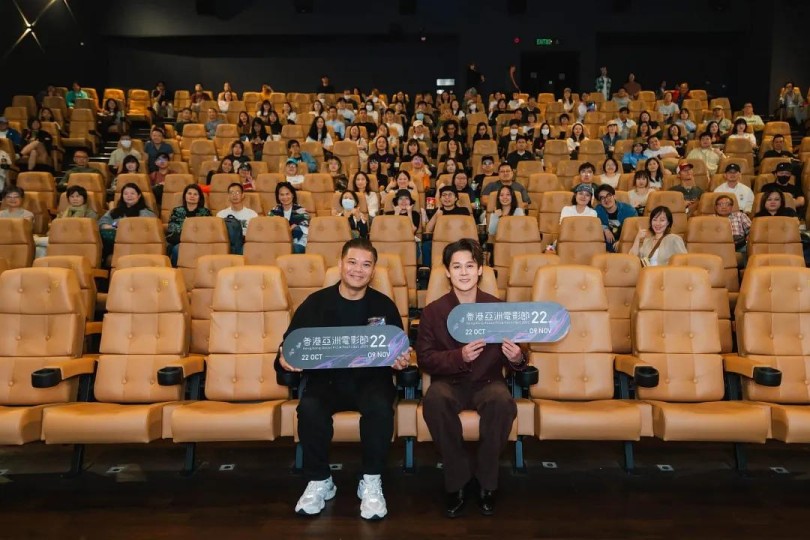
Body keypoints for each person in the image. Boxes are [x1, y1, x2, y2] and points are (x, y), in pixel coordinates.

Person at [276, 238, 411, 520]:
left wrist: (401, 361)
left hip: (371, 381)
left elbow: (397, 350)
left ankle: (371, 480)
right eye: (352, 262)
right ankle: (319, 480)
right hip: (327, 382)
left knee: (380, 408)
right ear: (340, 264)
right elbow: (290, 347)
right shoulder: (315, 303)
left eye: (366, 265)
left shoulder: (384, 306)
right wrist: (284, 358)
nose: (358, 270)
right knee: (309, 408)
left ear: (373, 271)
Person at [417, 238, 522, 518]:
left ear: (480, 270)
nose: (463, 272)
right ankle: (458, 479)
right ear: (447, 272)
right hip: (449, 382)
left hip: (488, 383)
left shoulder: (497, 308)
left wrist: (516, 358)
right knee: (434, 400)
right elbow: (425, 358)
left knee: (502, 402)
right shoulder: (433, 311)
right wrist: (458, 356)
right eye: (457, 266)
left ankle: (487, 481)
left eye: (470, 266)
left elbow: (520, 358)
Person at [166, 184, 212, 265]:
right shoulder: (177, 211)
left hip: (200, 243)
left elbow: (208, 233)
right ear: (185, 196)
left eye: (195, 194)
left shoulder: (205, 213)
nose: (192, 196)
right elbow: (172, 231)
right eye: (189, 193)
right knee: (176, 249)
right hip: (180, 242)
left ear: (199, 197)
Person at [269, 182, 310, 253]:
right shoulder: (273, 212)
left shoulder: (301, 211)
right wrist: (290, 229)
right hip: (278, 242)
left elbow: (303, 230)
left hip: (298, 241)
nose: (285, 197)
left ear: (292, 195)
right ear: (278, 196)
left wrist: (287, 230)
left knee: (294, 248)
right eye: (282, 195)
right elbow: (270, 230)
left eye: (287, 194)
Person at [595, 184, 636, 252]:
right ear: (599, 202)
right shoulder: (598, 211)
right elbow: (594, 225)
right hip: (608, 243)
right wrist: (605, 229)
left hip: (625, 241)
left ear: (614, 196)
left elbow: (634, 230)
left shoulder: (629, 210)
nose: (606, 199)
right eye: (602, 198)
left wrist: (621, 241)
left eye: (608, 195)